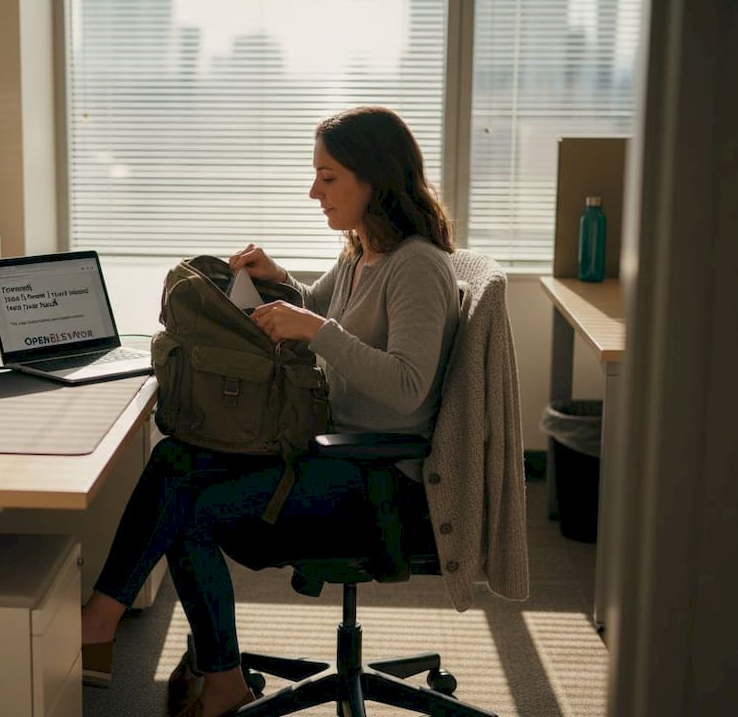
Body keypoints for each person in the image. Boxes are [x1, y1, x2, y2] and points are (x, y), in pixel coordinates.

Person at [80, 105, 459, 717]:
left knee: (192, 512)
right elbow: (325, 310)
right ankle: (105, 614)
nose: (315, 191)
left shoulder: (417, 265)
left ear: (374, 177)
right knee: (175, 457)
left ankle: (218, 678)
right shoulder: (363, 251)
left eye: (329, 177)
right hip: (328, 447)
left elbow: (407, 386)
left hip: (380, 481)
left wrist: (315, 329)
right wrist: (282, 283)